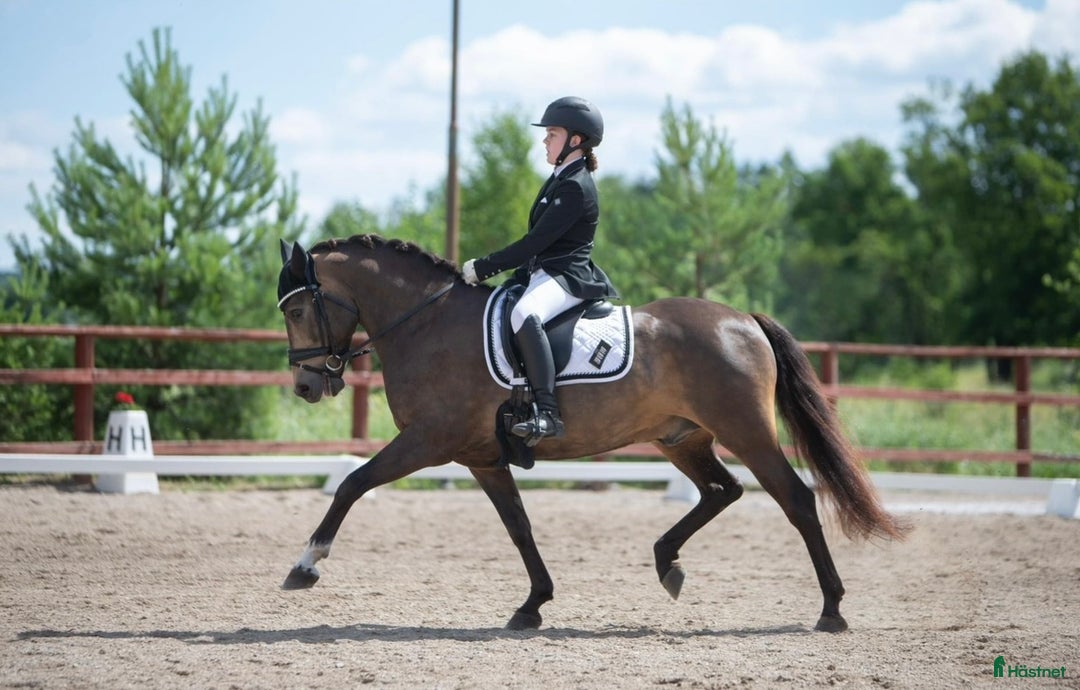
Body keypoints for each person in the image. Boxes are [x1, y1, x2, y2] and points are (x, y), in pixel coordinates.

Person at [462, 96, 620, 446]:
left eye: (552, 134)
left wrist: (485, 267)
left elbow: (535, 242)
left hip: (567, 278)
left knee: (524, 312)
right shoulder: (560, 179)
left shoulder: (575, 186)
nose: (545, 141)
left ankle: (548, 413)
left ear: (575, 140)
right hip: (544, 273)